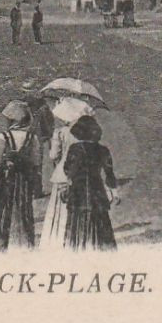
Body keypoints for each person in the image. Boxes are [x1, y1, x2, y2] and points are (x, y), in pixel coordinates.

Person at [0, 101, 38, 251]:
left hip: (7, 177)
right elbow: (35, 160)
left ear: (13, 120)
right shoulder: (32, 137)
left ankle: (0, 242)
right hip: (24, 178)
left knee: (3, 207)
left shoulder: (4, 136)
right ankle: (25, 241)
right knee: (24, 206)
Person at [62, 115, 118, 250]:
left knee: (78, 219)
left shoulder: (75, 148)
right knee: (99, 219)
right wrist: (114, 193)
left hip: (78, 190)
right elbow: (110, 175)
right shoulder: (103, 150)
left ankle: (80, 246)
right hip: (96, 189)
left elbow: (68, 170)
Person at [44, 98, 90, 247]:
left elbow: (53, 155)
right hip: (81, 173)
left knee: (61, 207)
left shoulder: (60, 132)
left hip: (63, 173)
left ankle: (58, 238)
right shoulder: (84, 132)